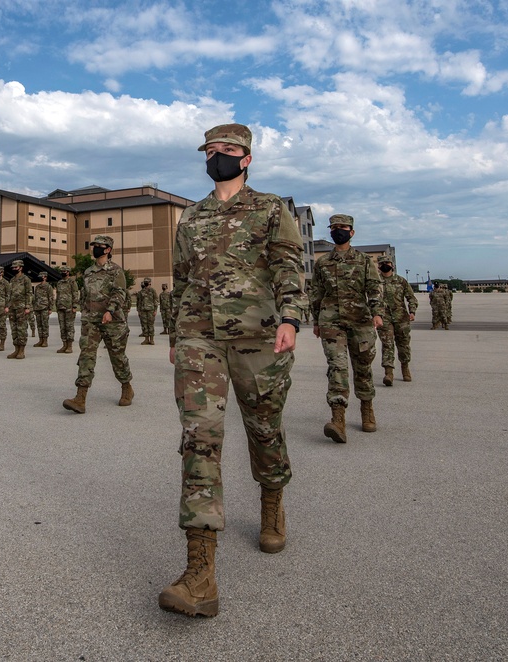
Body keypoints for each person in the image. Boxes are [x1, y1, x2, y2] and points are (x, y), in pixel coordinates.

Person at [158, 123, 305, 619]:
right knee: (199, 437)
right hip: (200, 336)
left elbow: (288, 265)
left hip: (259, 334)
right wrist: (178, 336)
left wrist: (290, 317)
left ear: (246, 159)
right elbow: (181, 281)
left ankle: (271, 499)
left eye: (226, 150)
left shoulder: (269, 208)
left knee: (264, 429)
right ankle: (199, 573)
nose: (215, 156)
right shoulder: (191, 216)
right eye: (210, 150)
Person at [310, 214, 384, 443]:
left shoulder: (363, 260)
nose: (337, 230)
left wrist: (377, 312)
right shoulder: (322, 262)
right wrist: (315, 321)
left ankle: (367, 409)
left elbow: (373, 287)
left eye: (342, 227)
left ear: (351, 232)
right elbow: (316, 293)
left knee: (362, 367)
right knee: (337, 367)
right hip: (331, 322)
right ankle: (338, 419)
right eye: (333, 227)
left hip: (360, 321)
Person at [62, 235, 133, 413]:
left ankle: (127, 387)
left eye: (99, 246)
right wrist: (84, 313)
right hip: (91, 322)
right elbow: (84, 295)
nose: (95, 249)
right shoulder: (88, 272)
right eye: (94, 246)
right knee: (86, 357)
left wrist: (110, 311)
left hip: (113, 322)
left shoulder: (116, 271)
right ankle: (80, 398)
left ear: (108, 249)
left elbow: (119, 293)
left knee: (117, 358)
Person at [377, 256, 417, 384]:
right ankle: (388, 373)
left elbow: (411, 297)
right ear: (378, 266)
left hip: (401, 318)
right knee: (387, 344)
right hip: (384, 318)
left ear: (392, 265)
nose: (385, 265)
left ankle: (405, 368)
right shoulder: (376, 282)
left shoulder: (401, 281)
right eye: (382, 263)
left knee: (403, 344)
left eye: (387, 263)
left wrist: (412, 311)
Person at [6, 259, 32, 359]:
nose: (14, 269)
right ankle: (16, 349)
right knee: (14, 329)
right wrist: (8, 306)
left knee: (21, 329)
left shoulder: (26, 279)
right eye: (13, 267)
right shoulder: (12, 280)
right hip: (13, 307)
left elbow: (29, 294)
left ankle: (21, 350)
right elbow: (10, 294)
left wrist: (27, 307)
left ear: (21, 268)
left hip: (21, 307)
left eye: (16, 267)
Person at [55, 266, 79, 353]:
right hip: (60, 307)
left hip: (69, 307)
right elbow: (58, 294)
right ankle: (64, 345)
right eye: (61, 271)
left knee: (69, 327)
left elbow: (75, 294)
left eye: (64, 271)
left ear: (68, 272)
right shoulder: (59, 282)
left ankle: (69, 346)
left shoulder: (72, 282)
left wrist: (74, 306)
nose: (62, 272)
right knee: (62, 327)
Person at [32, 272, 54, 348]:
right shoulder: (37, 287)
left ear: (45, 277)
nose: (40, 277)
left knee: (45, 325)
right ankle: (40, 340)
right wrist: (34, 308)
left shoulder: (48, 287)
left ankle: (45, 340)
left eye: (42, 276)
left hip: (45, 308)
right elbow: (35, 298)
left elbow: (51, 298)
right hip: (37, 308)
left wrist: (50, 308)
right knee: (39, 325)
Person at [136, 277, 158, 345]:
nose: (146, 283)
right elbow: (139, 302)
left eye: (147, 282)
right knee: (144, 325)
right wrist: (139, 311)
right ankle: (146, 339)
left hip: (151, 310)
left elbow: (156, 300)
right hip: (143, 310)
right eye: (145, 281)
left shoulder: (153, 291)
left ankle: (151, 339)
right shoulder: (141, 292)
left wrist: (155, 310)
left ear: (150, 283)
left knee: (151, 325)